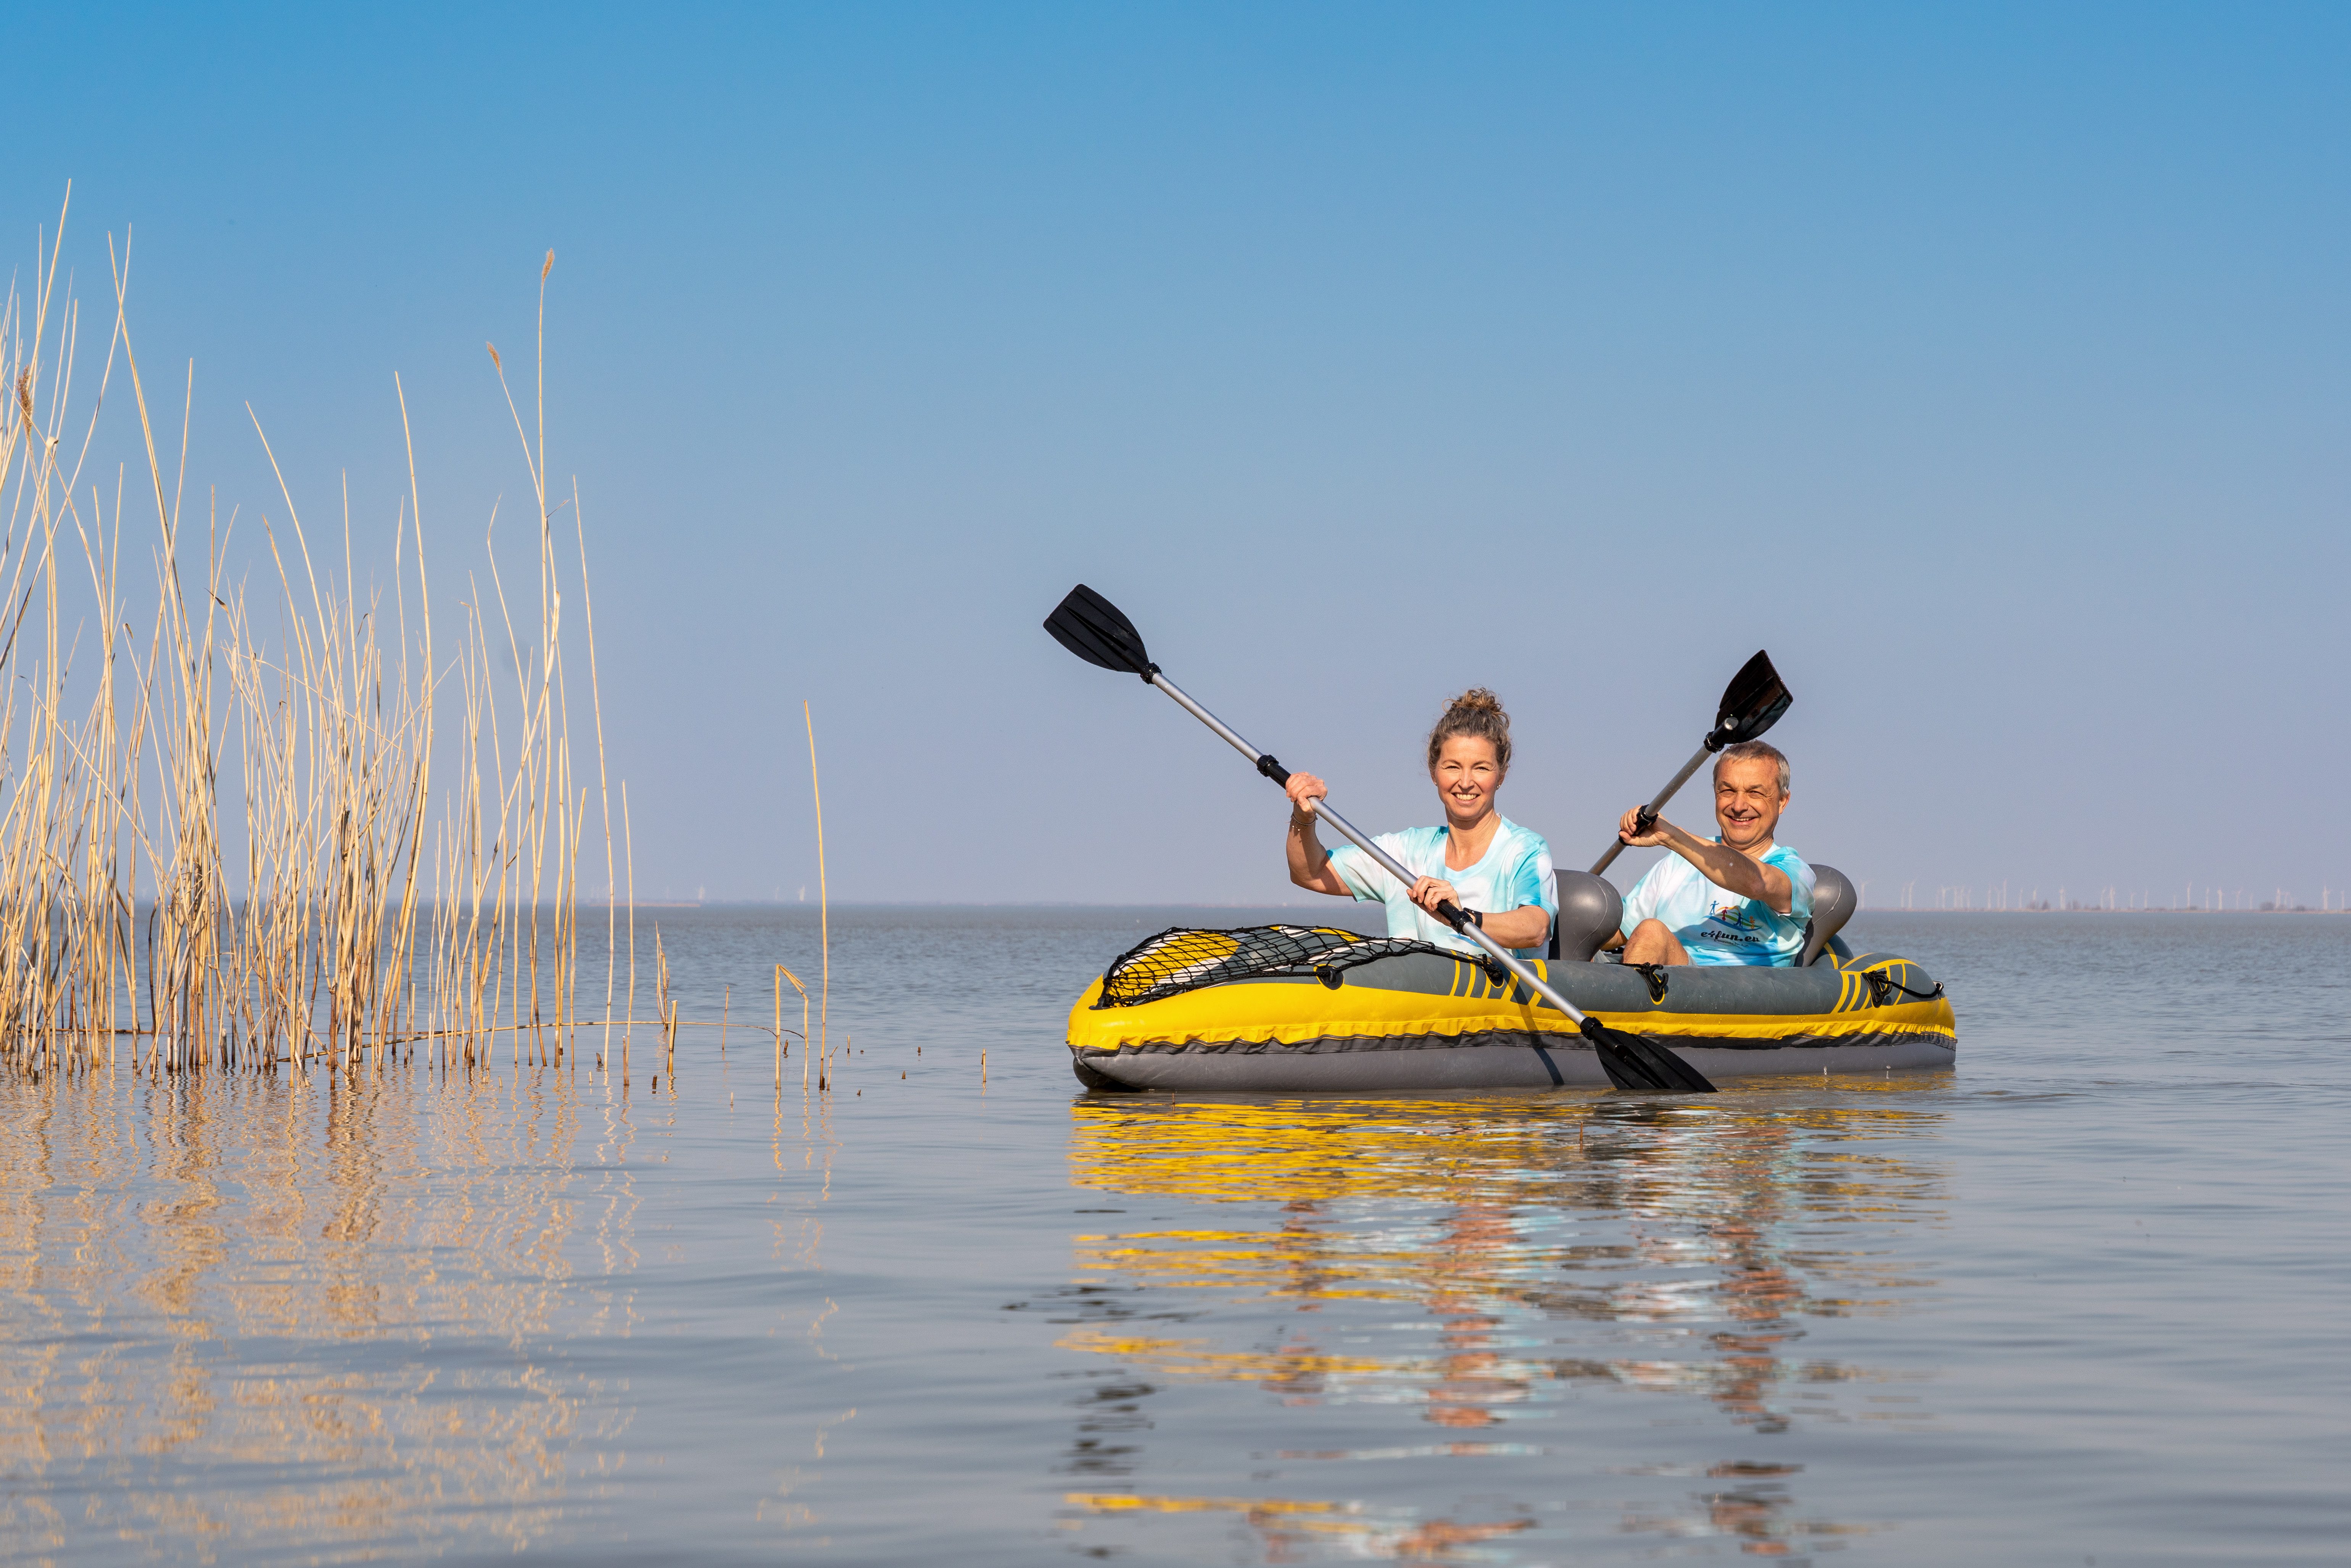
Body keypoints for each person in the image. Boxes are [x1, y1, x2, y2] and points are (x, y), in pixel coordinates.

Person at [1282, 689, 1556, 959]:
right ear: (1433, 771)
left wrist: (1461, 918)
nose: (1465, 782)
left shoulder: (1524, 850)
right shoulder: (1403, 853)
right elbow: (1309, 873)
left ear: (1501, 776)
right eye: (1452, 767)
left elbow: (1535, 928)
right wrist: (1304, 817)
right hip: (1419, 1003)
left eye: (1481, 768)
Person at [1612, 740, 1814, 966]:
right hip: (1669, 982)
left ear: (1782, 801)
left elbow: (1758, 882)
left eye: (1755, 793)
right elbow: (1619, 931)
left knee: (1652, 932)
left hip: (1744, 994)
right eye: (1727, 791)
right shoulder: (1678, 862)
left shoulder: (1794, 871)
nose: (1739, 806)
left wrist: (1671, 836)